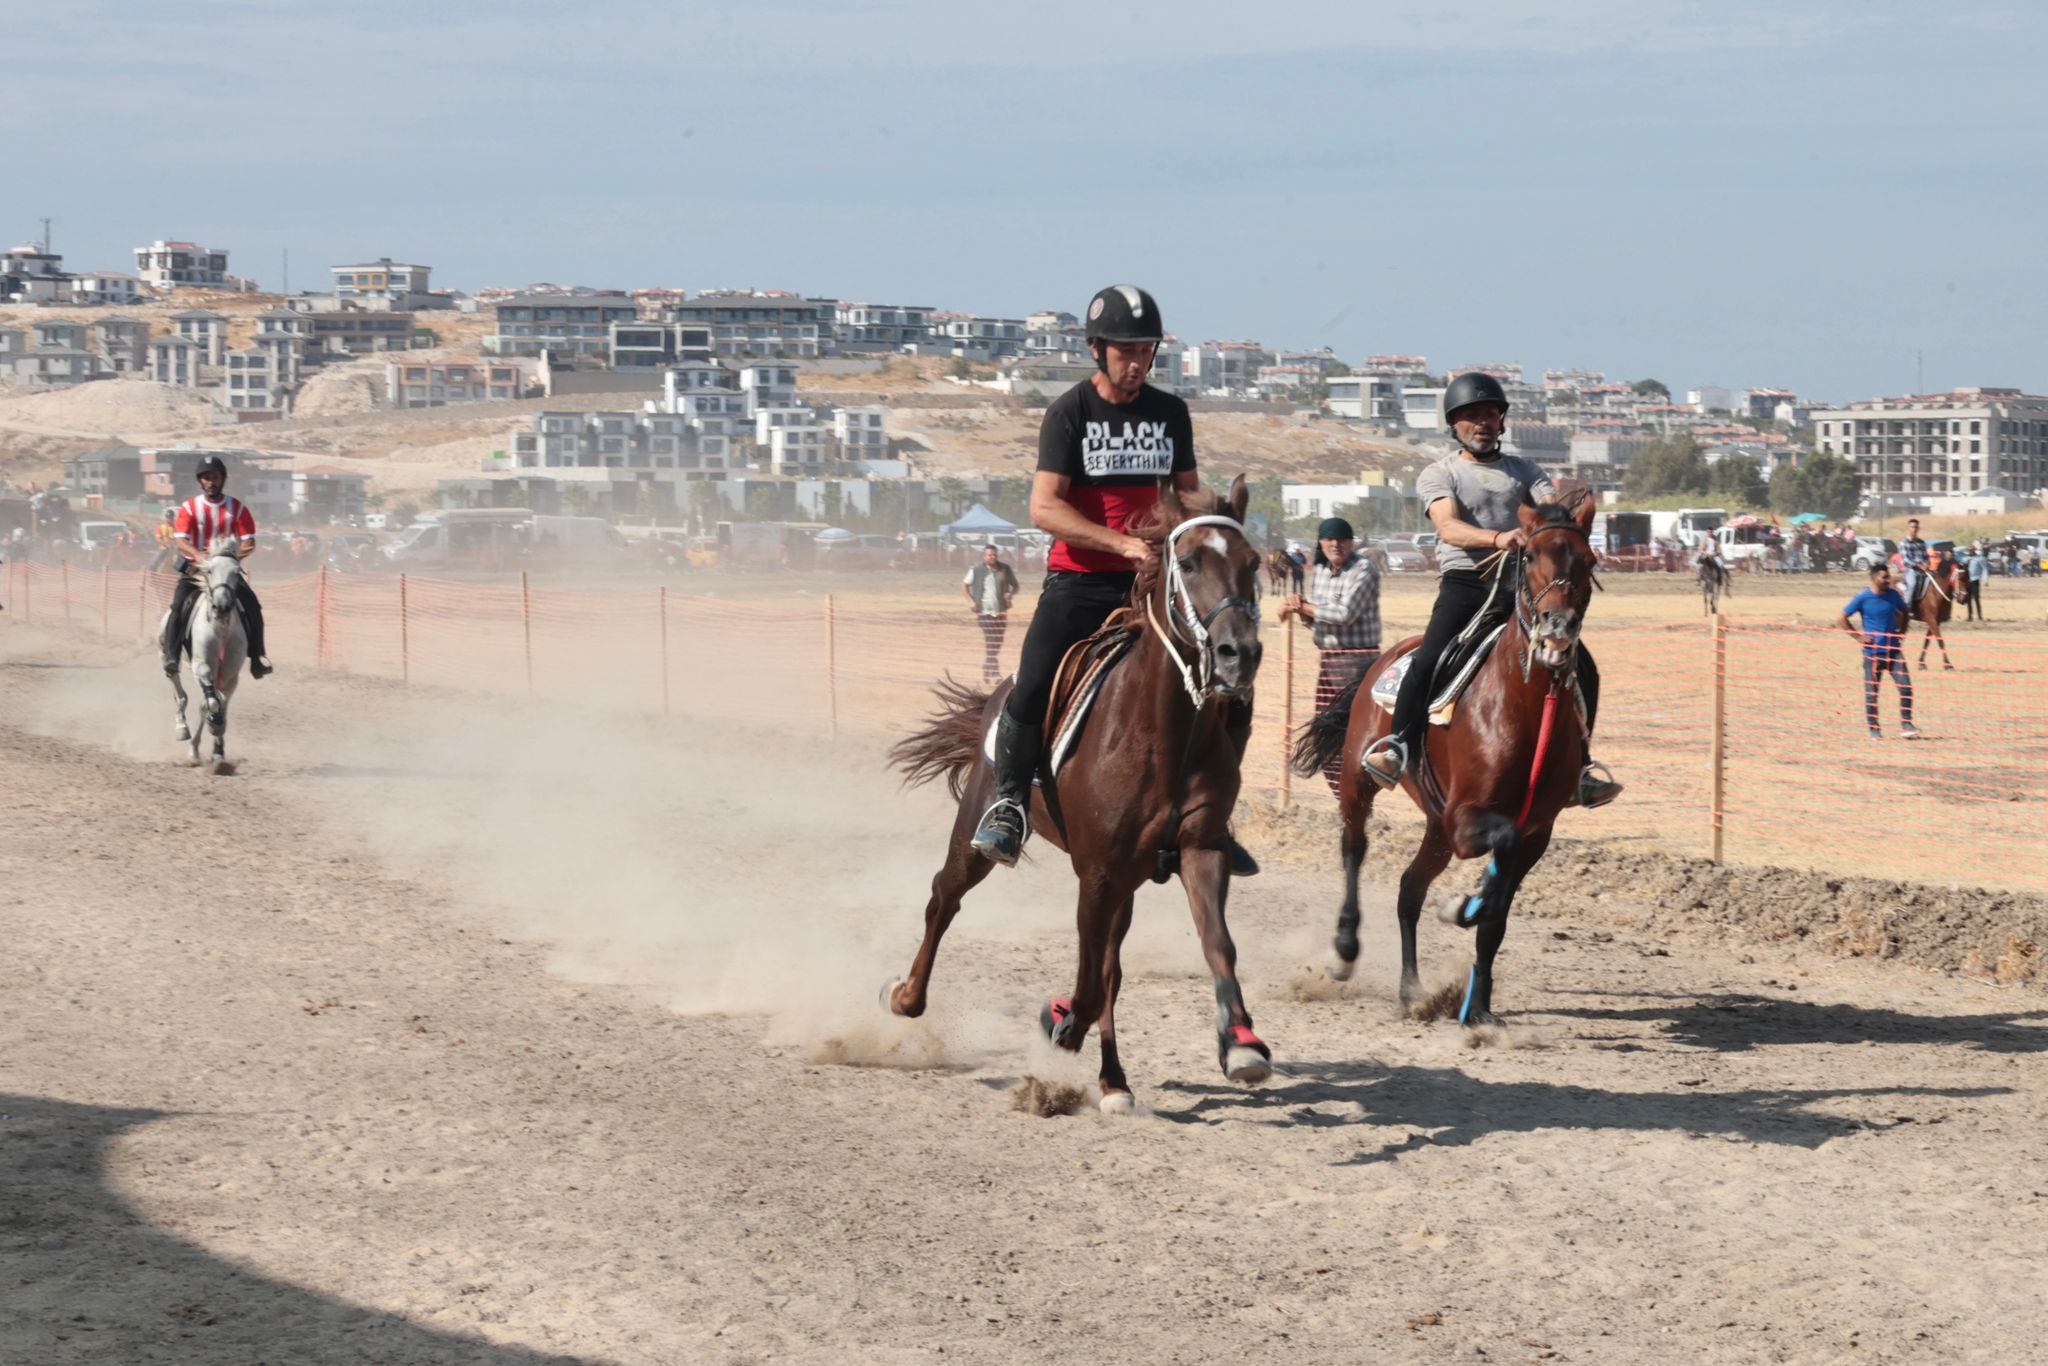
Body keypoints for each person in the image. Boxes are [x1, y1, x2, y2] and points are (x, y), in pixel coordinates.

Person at [970, 283, 1257, 874]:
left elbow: (1186, 495)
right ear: (1097, 350)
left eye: (1146, 351)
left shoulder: (1170, 413)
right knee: (1032, 684)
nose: (1137, 362)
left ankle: (1211, 817)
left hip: (1153, 587)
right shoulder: (1070, 413)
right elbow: (1044, 508)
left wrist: (1217, 524)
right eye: (1126, 351)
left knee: (1231, 684)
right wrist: (1121, 543)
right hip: (1079, 583)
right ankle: (1009, 805)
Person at [1360, 372, 1621, 806]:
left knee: (1583, 665)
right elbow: (1448, 527)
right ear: (1454, 424)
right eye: (1471, 416)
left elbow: (1550, 510)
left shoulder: (1526, 471)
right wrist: (1499, 538)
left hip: (1522, 585)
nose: (1482, 423)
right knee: (1429, 659)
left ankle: (1581, 768)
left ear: (1502, 422)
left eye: (1490, 415)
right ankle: (1397, 746)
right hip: (1466, 583)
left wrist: (1564, 523)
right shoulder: (1440, 473)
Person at [1281, 515, 1381, 795]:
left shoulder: (1364, 570)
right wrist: (1304, 611)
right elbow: (1320, 620)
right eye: (1329, 539)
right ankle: (1342, 796)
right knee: (1328, 735)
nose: (1336, 544)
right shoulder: (1321, 572)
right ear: (1321, 543)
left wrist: (1303, 607)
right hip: (1329, 662)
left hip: (1359, 663)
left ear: (1352, 542)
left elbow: (1345, 614)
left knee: (1356, 735)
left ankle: (1359, 794)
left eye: (1342, 539)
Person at [162, 456, 272, 680]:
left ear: (223, 479)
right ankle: (172, 656)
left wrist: (228, 559)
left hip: (225, 574)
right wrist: (199, 555)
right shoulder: (190, 508)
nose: (211, 482)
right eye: (206, 478)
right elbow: (181, 540)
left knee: (253, 606)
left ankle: (257, 658)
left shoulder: (237, 509)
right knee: (178, 607)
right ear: (200, 481)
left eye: (215, 477)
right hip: (196, 572)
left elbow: (249, 543)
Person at [1840, 564, 1920, 739]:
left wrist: (1901, 632)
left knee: (1906, 687)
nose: (1888, 580)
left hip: (1894, 652)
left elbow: (1905, 613)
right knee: (1872, 693)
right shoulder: (1862, 598)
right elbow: (1842, 618)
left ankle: (1906, 723)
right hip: (1873, 654)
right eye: (1884, 577)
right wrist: (1859, 637)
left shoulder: (1894, 595)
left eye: (1888, 576)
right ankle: (1874, 729)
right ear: (1873, 578)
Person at [961, 543, 1020, 684]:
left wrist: (1010, 594)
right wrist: (971, 601)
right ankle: (994, 672)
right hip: (983, 612)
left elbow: (1016, 586)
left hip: (1000, 612)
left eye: (994, 554)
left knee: (997, 642)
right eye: (989, 555)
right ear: (984, 556)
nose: (992, 557)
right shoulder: (976, 570)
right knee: (991, 640)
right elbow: (964, 585)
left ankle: (987, 667)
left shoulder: (1005, 569)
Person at [1898, 518, 1930, 609]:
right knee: (1912, 584)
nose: (1914, 529)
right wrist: (1919, 566)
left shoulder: (1922, 543)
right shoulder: (1904, 543)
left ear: (1918, 528)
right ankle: (1907, 608)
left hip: (1923, 570)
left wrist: (1927, 564)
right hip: (1911, 570)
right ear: (1908, 528)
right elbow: (1906, 560)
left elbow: (1926, 557)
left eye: (1916, 527)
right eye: (1912, 527)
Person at [1965, 543, 1989, 621]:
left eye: (1971, 550)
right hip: (1967, 581)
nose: (1970, 551)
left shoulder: (1979, 558)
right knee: (1968, 599)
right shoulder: (1967, 559)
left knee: (1976, 598)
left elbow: (1984, 569)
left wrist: (1985, 580)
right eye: (1969, 550)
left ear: (1974, 550)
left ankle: (1979, 616)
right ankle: (1970, 616)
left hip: (1975, 580)